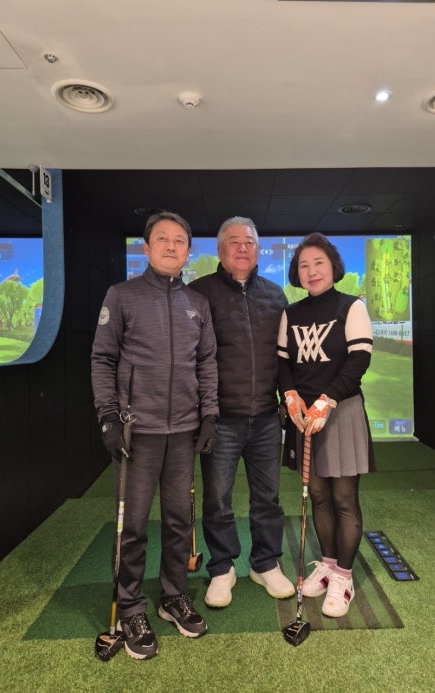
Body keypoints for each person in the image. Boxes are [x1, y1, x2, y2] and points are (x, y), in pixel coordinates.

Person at [91, 211, 219, 659]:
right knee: (133, 526)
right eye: (161, 239)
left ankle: (173, 595)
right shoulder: (122, 295)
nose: (170, 246)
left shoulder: (197, 303)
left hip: (183, 431)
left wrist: (209, 415)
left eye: (179, 240)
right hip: (136, 432)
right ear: (146, 248)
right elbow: (102, 359)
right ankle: (130, 607)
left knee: (179, 521)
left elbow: (206, 362)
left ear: (188, 251)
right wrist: (108, 418)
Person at [190, 216, 295, 608]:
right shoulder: (199, 293)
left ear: (257, 249)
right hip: (221, 419)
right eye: (234, 241)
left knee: (267, 498)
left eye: (249, 241)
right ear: (220, 250)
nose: (242, 247)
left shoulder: (275, 295)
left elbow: (286, 356)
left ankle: (265, 563)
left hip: (267, 417)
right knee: (218, 500)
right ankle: (222, 568)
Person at [277, 232, 374, 618]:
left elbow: (359, 359)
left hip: (340, 411)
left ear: (333, 266)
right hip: (304, 416)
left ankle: (344, 577)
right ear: (296, 273)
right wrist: (289, 395)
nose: (311, 271)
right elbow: (283, 362)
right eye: (303, 265)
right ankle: (330, 565)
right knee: (317, 495)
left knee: (344, 499)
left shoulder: (352, 306)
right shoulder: (291, 313)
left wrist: (327, 399)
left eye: (318, 263)